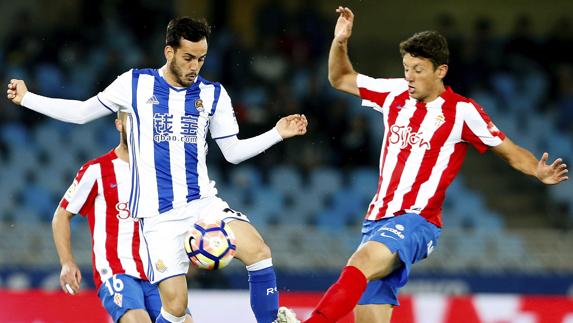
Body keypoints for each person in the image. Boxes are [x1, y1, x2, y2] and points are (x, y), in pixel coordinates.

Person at [275, 6, 569, 323]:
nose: (410, 77)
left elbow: (510, 151)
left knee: (359, 264)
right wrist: (341, 41)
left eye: (418, 69)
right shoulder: (394, 92)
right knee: (368, 316)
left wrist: (537, 171)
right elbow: (340, 77)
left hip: (417, 221)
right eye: (406, 68)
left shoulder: (462, 112)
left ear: (440, 70)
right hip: (376, 220)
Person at [7, 17, 308, 323]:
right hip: (158, 218)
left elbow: (232, 153)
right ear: (169, 52)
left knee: (259, 251)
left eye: (201, 59)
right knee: (176, 308)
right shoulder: (135, 84)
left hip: (203, 205)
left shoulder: (214, 94)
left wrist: (276, 133)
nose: (195, 66)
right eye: (188, 58)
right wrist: (28, 98)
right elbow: (83, 113)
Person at [52, 112, 162, 323]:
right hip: (116, 270)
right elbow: (61, 216)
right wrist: (67, 262)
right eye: (134, 122)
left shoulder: (161, 172)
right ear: (119, 125)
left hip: (157, 271)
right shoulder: (97, 170)